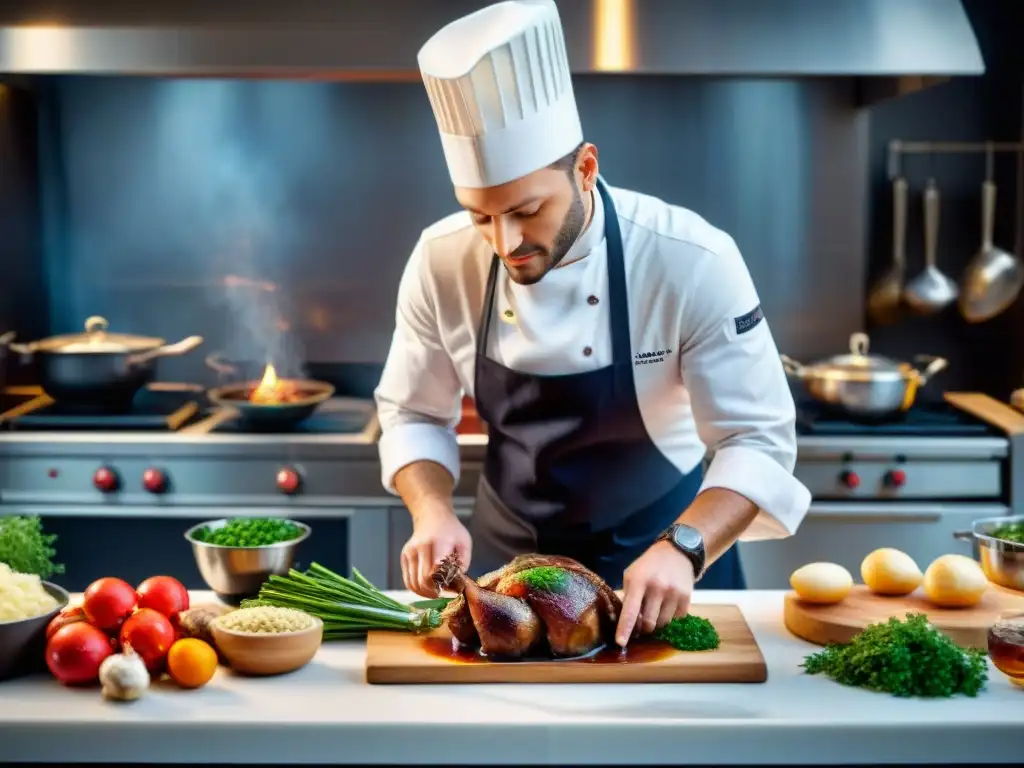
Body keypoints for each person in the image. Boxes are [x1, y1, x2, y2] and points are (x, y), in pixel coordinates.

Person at [374, 0, 811, 645]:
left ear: (585, 169)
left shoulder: (689, 259)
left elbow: (758, 440)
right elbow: (413, 413)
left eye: (527, 210)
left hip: (664, 560)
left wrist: (685, 547)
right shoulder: (441, 259)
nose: (505, 241)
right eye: (481, 216)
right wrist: (432, 508)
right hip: (503, 582)